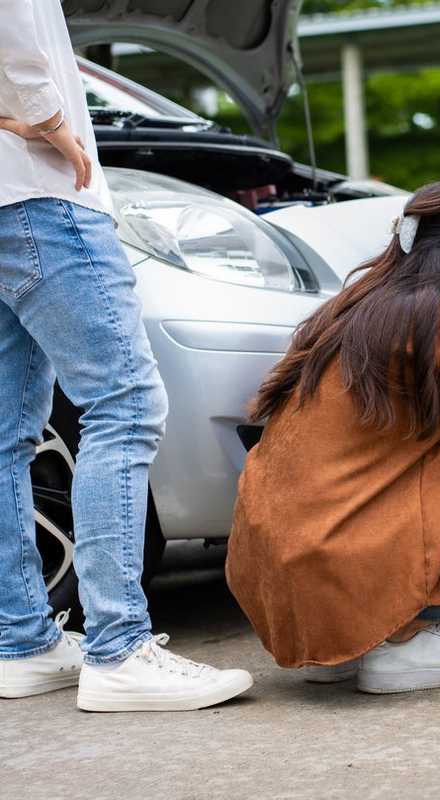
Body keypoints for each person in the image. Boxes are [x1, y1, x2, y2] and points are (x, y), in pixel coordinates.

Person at [226, 179, 440, 694]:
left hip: (278, 588)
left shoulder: (349, 310)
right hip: (339, 562)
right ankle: (405, 640)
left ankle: (342, 648)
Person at [0, 0, 252, 711]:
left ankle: (20, 642)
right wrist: (48, 119)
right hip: (41, 197)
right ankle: (119, 649)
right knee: (125, 405)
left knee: (6, 435)